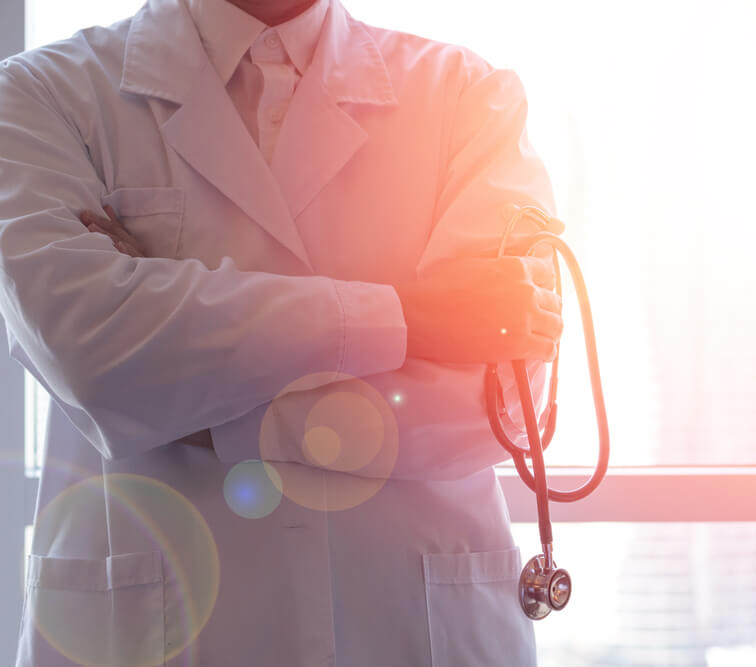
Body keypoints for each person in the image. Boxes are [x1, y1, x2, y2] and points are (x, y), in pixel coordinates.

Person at [0, 0, 563, 664]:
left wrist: (182, 396)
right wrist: (414, 317)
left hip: (414, 627)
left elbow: (497, 402)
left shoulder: (471, 100)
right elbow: (91, 352)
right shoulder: (37, 98)